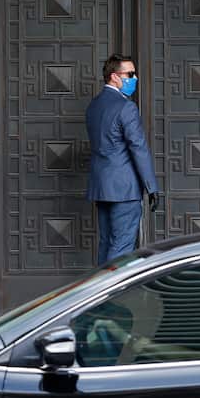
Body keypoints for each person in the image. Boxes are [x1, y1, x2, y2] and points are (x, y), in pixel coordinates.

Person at [86, 53, 160, 265]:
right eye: (130, 74)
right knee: (121, 248)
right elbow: (138, 147)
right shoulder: (126, 106)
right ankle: (114, 287)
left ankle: (99, 286)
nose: (135, 78)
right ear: (114, 76)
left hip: (101, 187)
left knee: (106, 243)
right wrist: (151, 186)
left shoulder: (94, 105)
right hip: (124, 189)